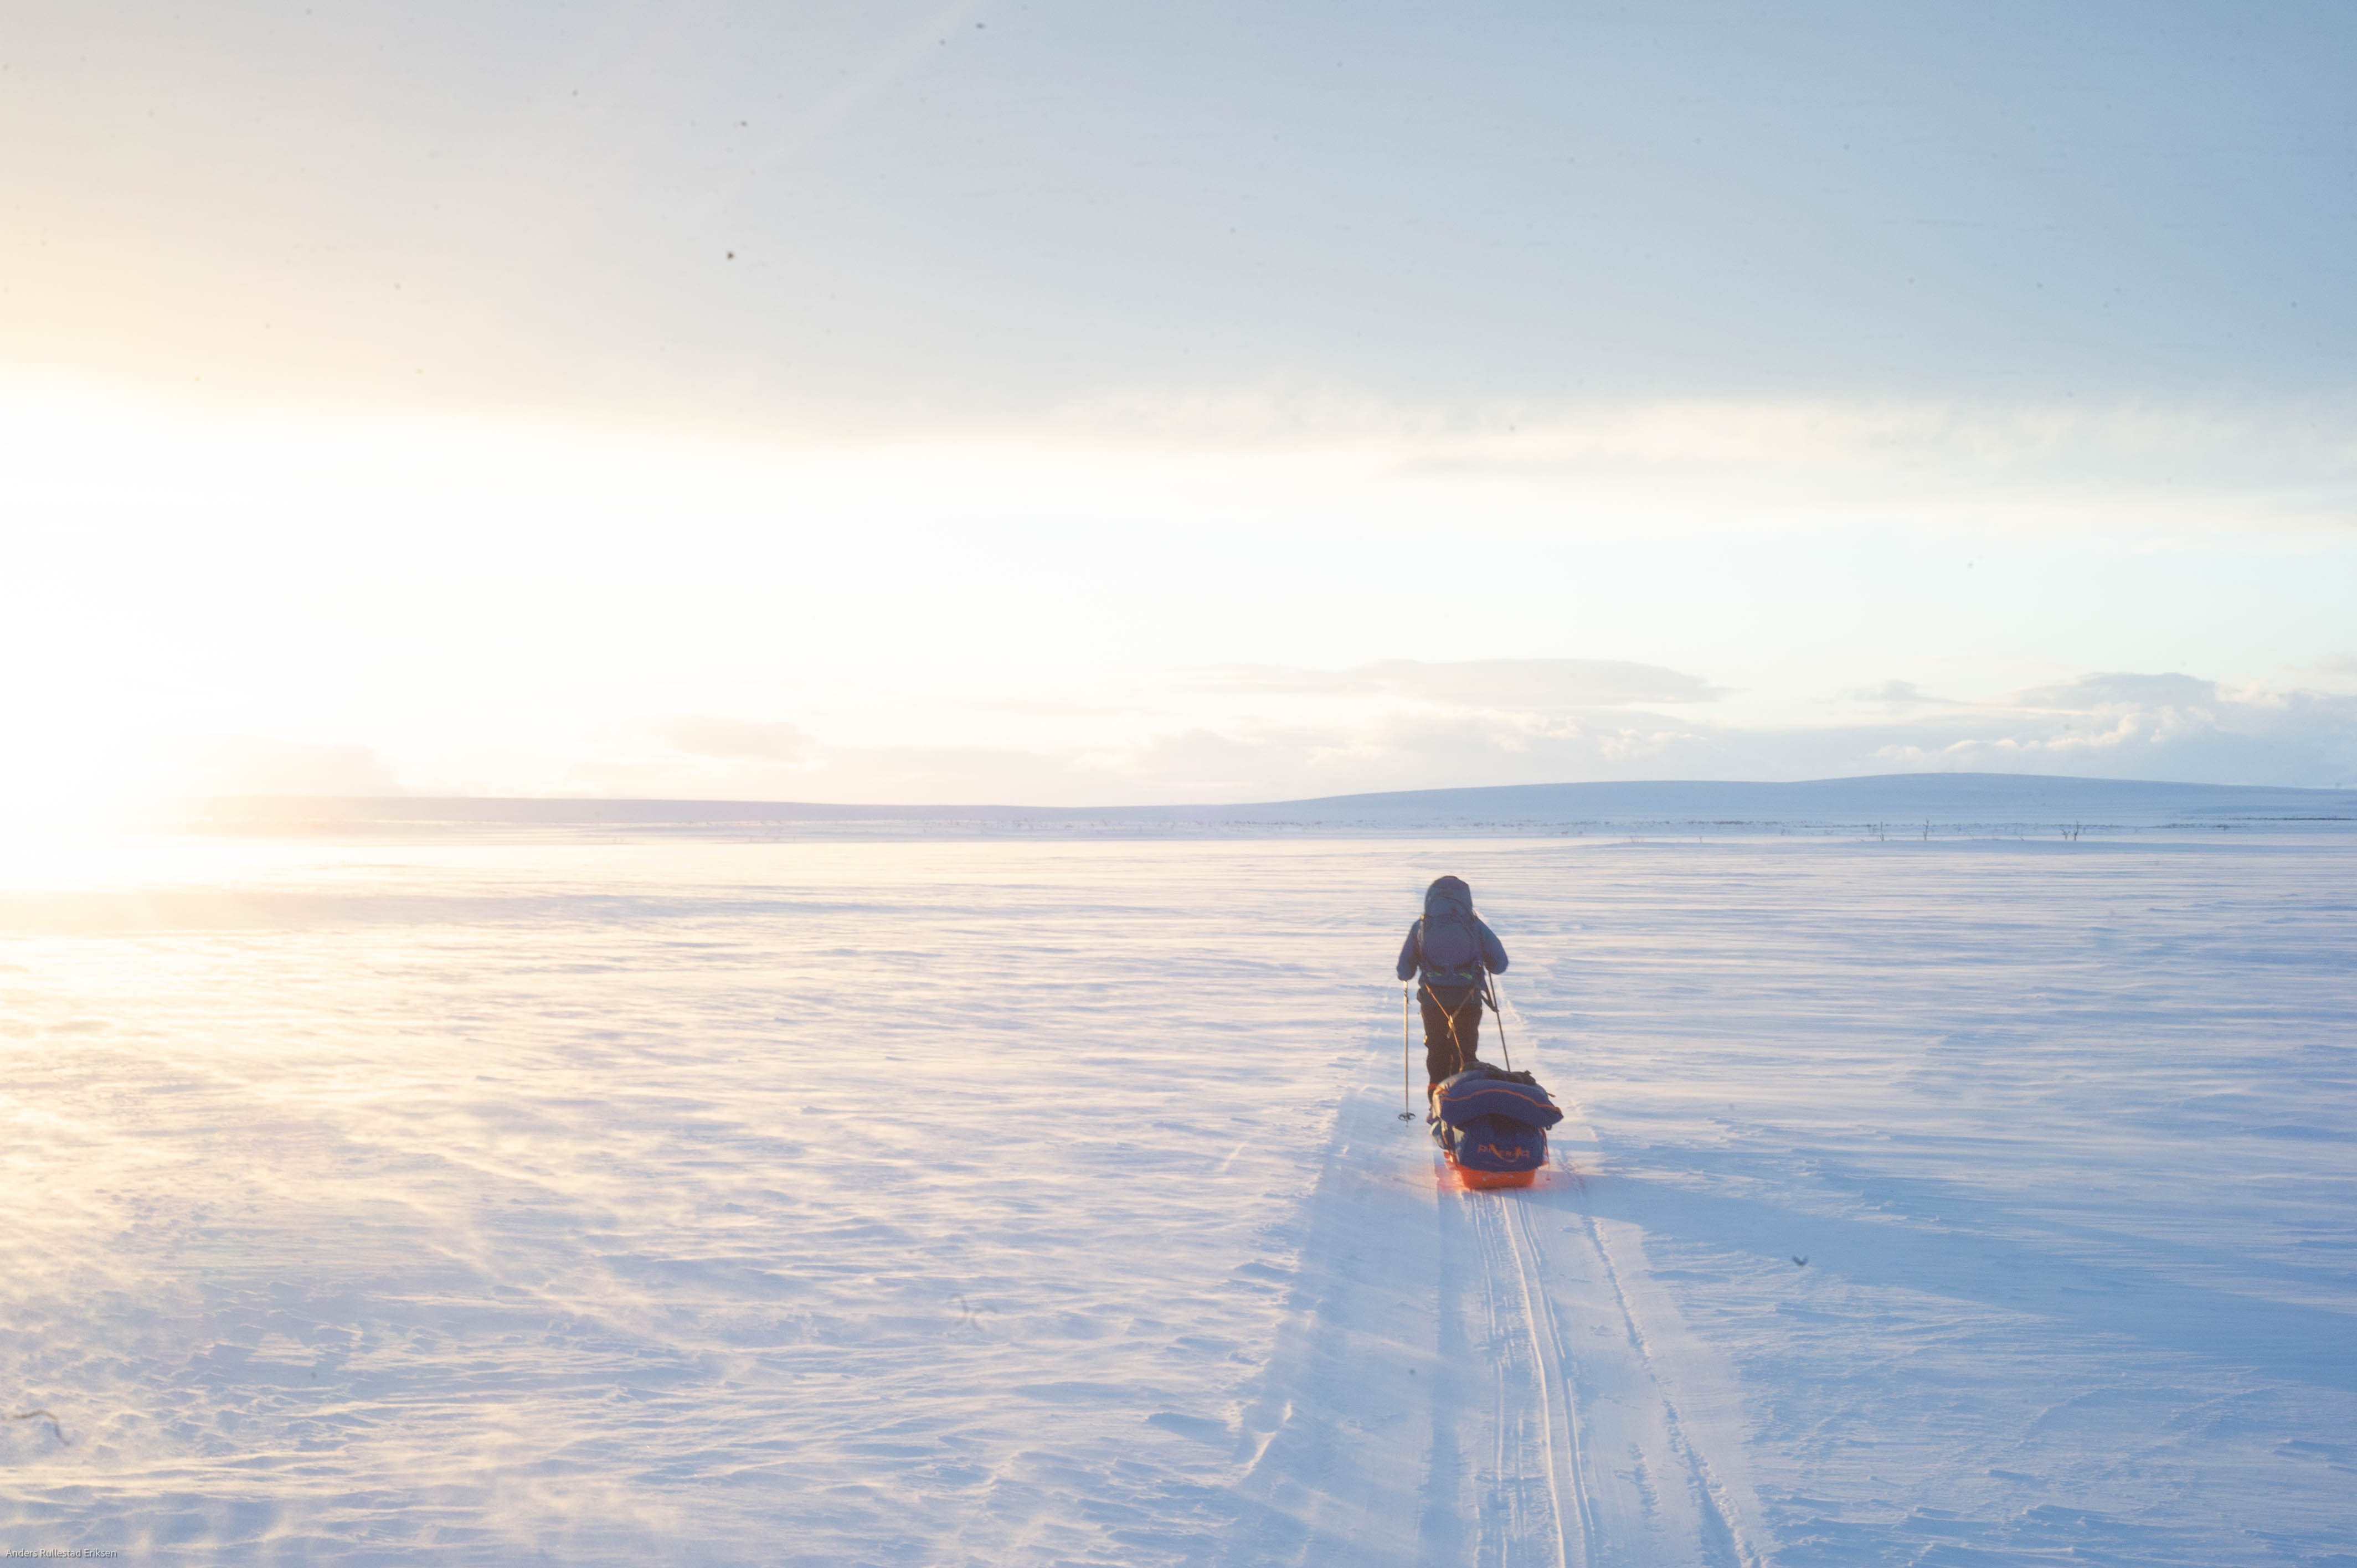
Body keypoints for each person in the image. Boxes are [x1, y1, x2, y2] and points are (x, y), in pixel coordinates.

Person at [1396, 875, 1509, 1088]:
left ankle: (1436, 1098)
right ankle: (1463, 1096)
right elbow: (1500, 964)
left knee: (1437, 1050)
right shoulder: (1476, 926)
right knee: (1465, 1052)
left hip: (1432, 999)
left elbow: (1405, 970)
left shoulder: (1421, 926)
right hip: (1468, 998)